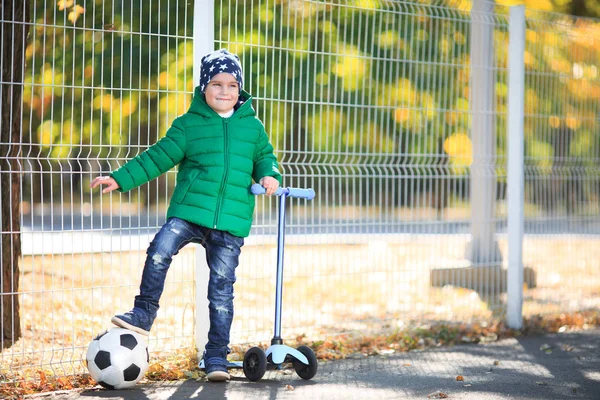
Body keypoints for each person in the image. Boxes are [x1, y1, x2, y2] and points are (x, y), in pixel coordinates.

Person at [90, 49, 281, 382]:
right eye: (217, 84)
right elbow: (157, 157)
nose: (225, 91)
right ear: (204, 87)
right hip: (190, 212)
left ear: (240, 90)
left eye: (232, 84)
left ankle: (217, 357)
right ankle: (143, 312)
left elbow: (265, 157)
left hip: (231, 223)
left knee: (221, 294)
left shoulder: (252, 127)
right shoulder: (189, 125)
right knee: (160, 250)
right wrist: (120, 178)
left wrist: (269, 175)